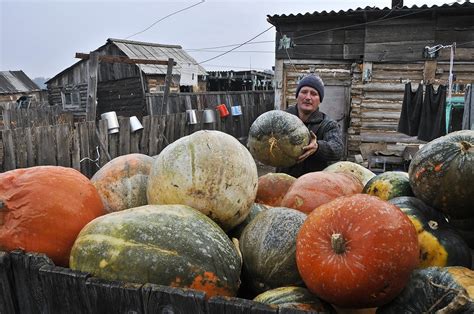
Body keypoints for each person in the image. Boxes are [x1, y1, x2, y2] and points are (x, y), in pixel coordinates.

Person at [277, 74, 343, 177]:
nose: (308, 97)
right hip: (283, 180)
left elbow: (337, 148)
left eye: (313, 94)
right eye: (304, 92)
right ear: (297, 96)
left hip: (313, 185)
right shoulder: (281, 118)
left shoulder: (328, 124)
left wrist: (318, 147)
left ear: (320, 100)